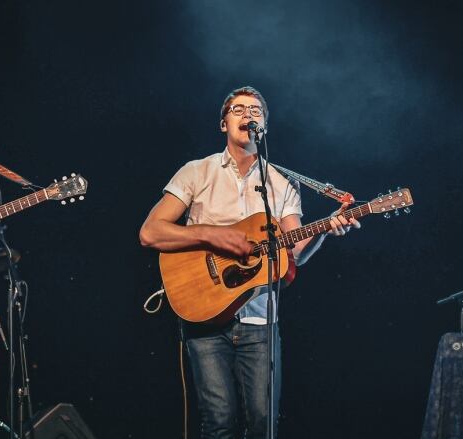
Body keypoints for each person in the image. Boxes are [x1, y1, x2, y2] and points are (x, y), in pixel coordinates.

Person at [139, 86, 359, 438]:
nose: (248, 115)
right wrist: (212, 234)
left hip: (260, 319)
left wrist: (325, 229)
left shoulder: (283, 183)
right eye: (238, 109)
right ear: (223, 123)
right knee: (219, 423)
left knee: (262, 424)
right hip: (206, 315)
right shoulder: (197, 172)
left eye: (256, 111)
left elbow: (295, 252)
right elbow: (151, 233)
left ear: (265, 126)